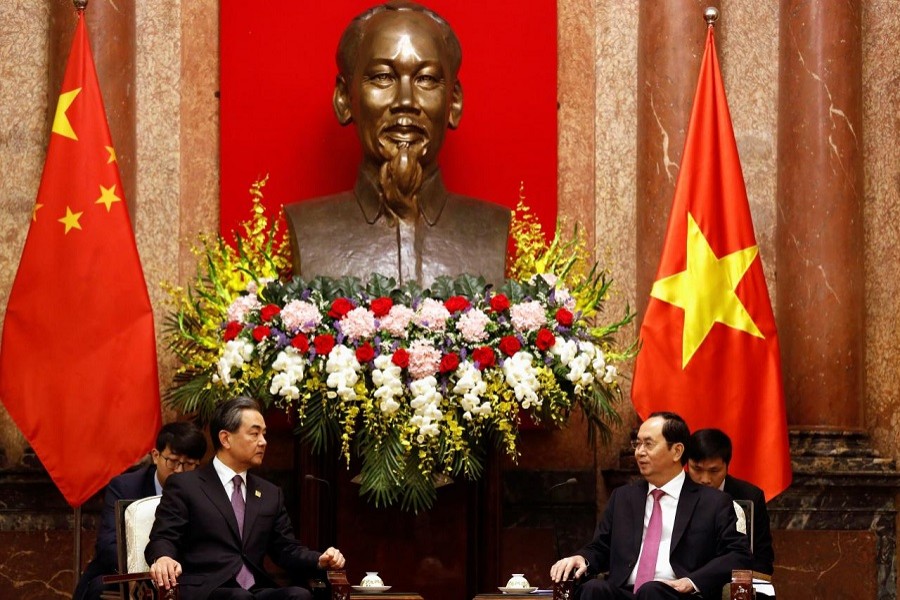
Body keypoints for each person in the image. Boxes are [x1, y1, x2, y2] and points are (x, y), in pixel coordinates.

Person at [284, 0, 510, 288]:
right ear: (344, 99)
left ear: (453, 102)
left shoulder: (490, 229)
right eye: (383, 77)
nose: (405, 101)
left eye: (426, 79)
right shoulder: (310, 229)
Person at [146, 396, 346, 599]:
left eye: (264, 434)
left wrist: (319, 559)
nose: (263, 442)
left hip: (254, 590)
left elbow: (286, 549)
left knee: (299, 596)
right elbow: (164, 536)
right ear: (225, 439)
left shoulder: (270, 494)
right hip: (206, 590)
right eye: (255, 433)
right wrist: (163, 557)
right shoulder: (186, 485)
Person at [550, 412, 752, 599]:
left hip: (677, 594)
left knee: (652, 591)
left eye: (648, 444)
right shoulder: (623, 498)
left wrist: (691, 582)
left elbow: (737, 555)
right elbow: (600, 547)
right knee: (593, 589)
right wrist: (582, 558)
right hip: (625, 592)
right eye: (637, 444)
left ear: (677, 451)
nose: (639, 452)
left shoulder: (713, 502)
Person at [73, 421, 207, 600]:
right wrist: (148, 571)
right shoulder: (124, 487)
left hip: (179, 574)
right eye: (173, 462)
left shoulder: (203, 490)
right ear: (156, 455)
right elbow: (108, 544)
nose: (179, 471)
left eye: (189, 464)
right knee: (99, 589)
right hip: (125, 572)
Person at [686, 428, 775, 575]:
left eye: (714, 471)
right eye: (697, 469)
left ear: (727, 467)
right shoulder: (676, 492)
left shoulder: (750, 496)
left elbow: (763, 558)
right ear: (686, 464)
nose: (705, 479)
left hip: (733, 579)